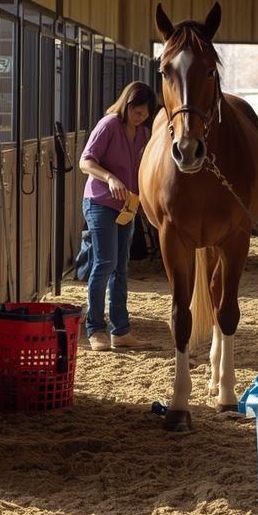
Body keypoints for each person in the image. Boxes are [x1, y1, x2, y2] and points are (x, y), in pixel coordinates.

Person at [79, 81, 157, 352]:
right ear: (127, 104)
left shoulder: (145, 134)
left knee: (121, 267)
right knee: (104, 262)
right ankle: (95, 328)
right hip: (100, 201)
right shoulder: (109, 125)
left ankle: (121, 330)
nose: (141, 117)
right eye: (137, 112)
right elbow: (85, 161)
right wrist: (110, 177)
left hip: (127, 206)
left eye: (145, 114)